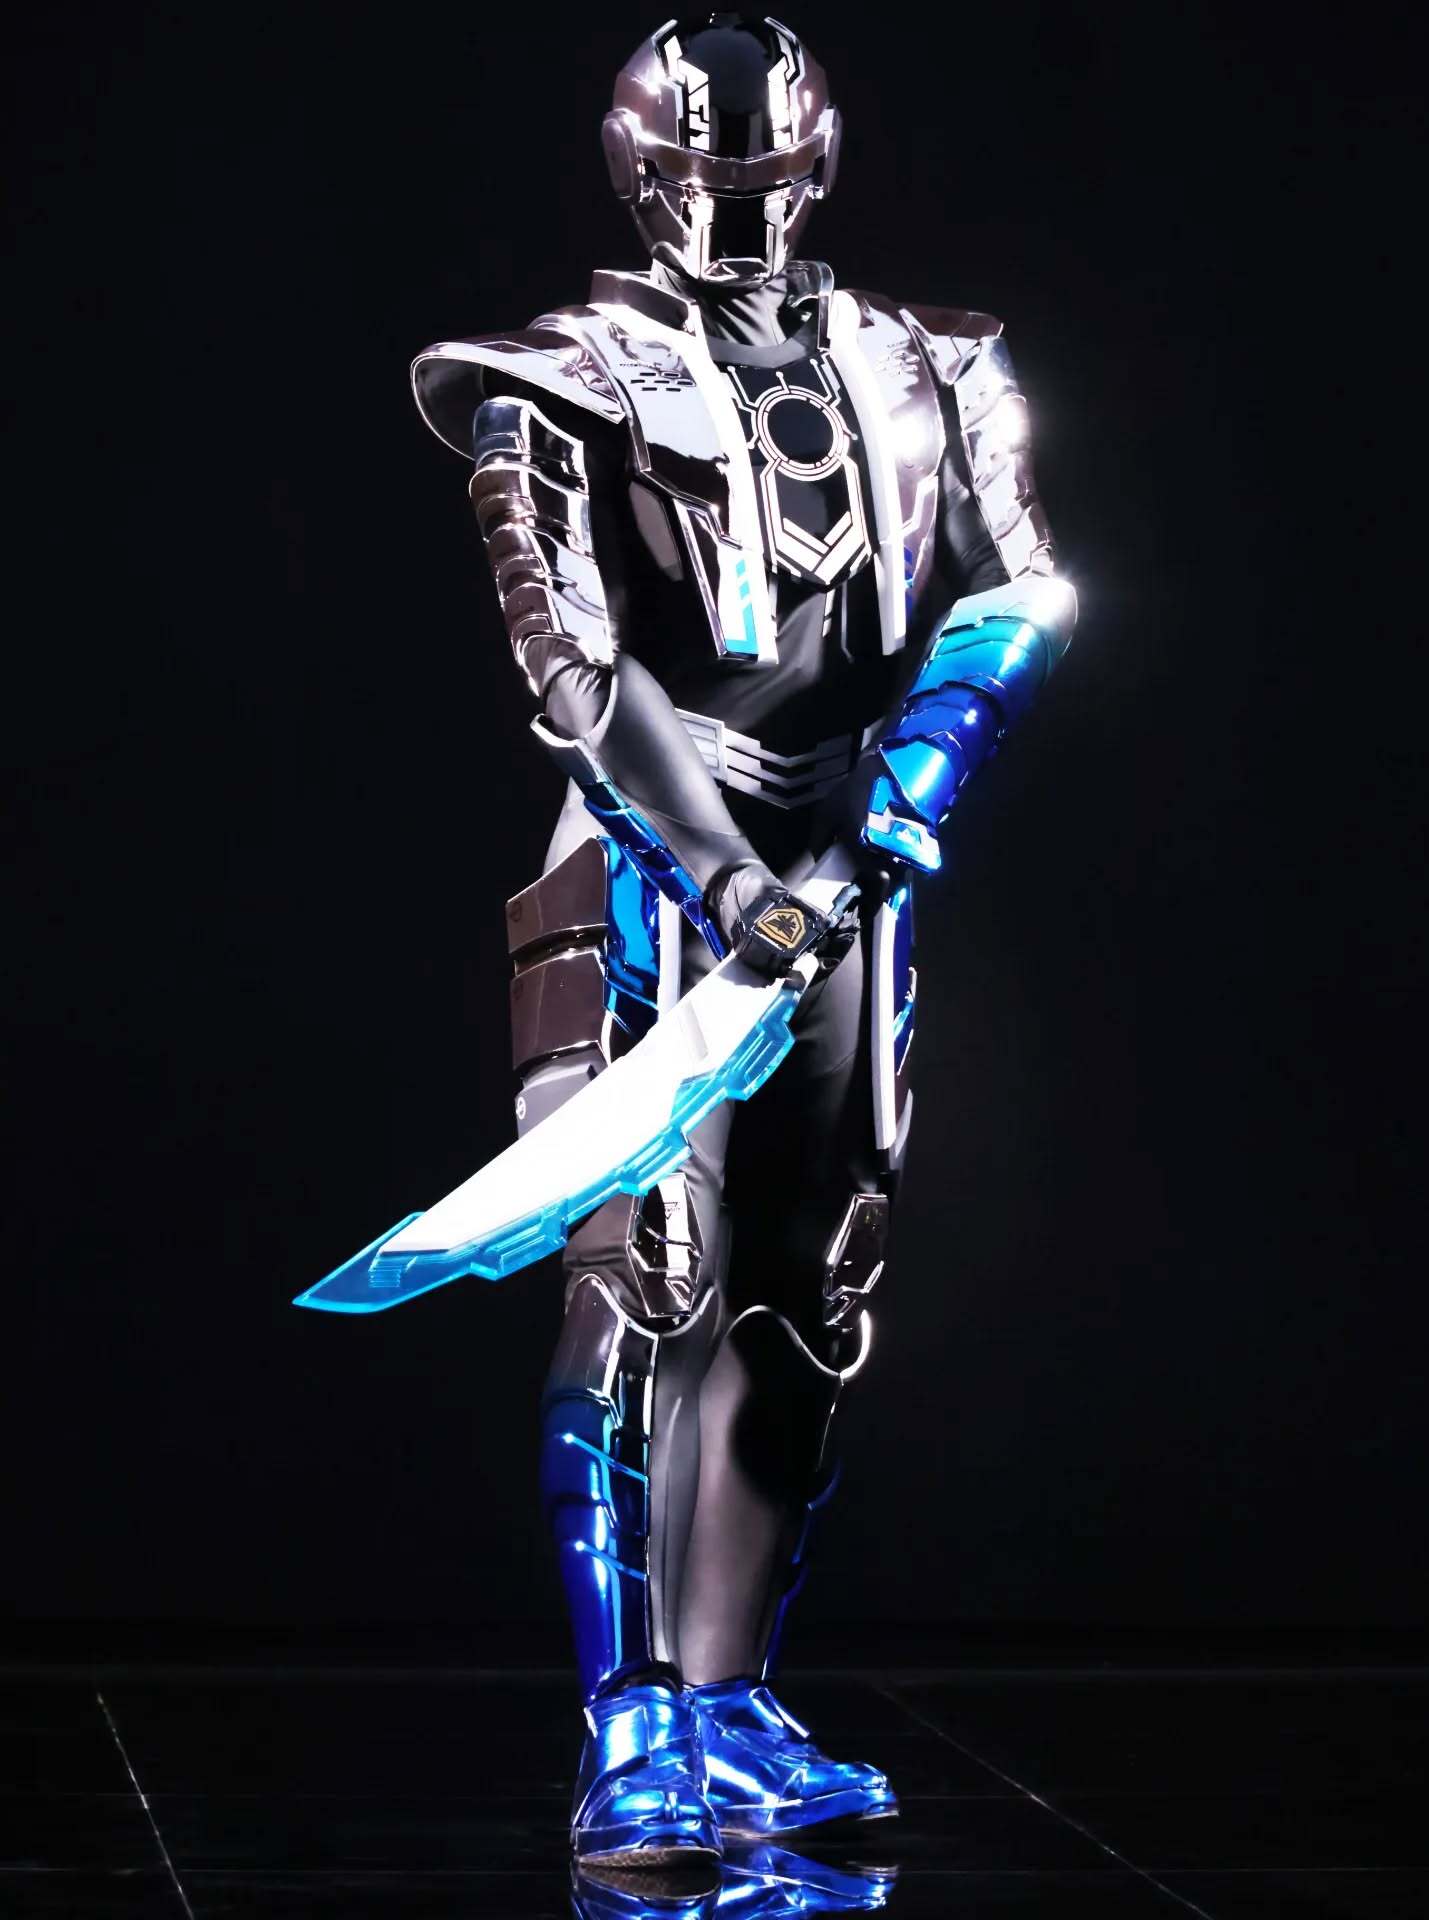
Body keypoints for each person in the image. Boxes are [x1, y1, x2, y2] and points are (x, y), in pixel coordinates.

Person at [410, 10, 1075, 1875]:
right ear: (641, 175)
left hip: (855, 850)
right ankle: (630, 1728)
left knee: (810, 1289)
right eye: (704, 180)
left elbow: (1022, 584)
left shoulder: (934, 365)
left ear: (820, 165)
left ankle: (725, 1704)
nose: (737, 215)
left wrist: (906, 795)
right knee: (645, 1276)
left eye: (766, 178)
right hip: (652, 844)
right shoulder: (556, 385)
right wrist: (718, 874)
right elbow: (574, 666)